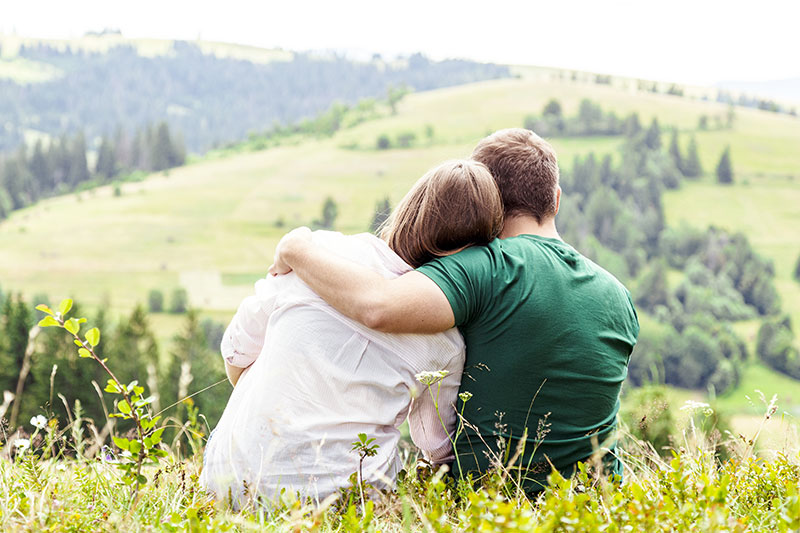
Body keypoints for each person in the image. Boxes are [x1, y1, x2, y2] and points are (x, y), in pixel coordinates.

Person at [270, 128, 640, 493]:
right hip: (600, 501)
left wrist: (296, 249)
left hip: (492, 505)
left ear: (487, 200)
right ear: (555, 200)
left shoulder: (487, 267)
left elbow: (377, 306)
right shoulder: (618, 296)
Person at [201, 159, 503, 505]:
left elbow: (236, 353)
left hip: (223, 483)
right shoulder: (445, 341)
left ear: (411, 211)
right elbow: (436, 446)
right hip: (343, 504)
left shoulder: (318, 253)